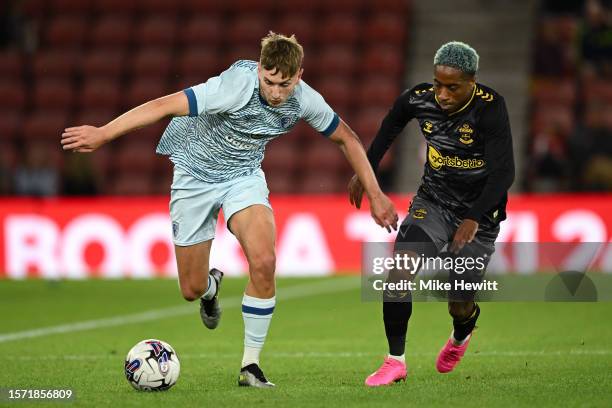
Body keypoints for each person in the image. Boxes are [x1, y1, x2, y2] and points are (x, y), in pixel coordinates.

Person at [61, 32, 398, 388]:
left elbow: (347, 137)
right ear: (258, 70)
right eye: (269, 82)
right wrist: (104, 134)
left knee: (265, 262)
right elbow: (162, 105)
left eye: (285, 84)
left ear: (299, 75)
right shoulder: (233, 86)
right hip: (194, 175)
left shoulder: (304, 99)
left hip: (243, 177)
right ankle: (210, 289)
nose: (276, 92)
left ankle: (250, 366)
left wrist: (375, 193)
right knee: (190, 288)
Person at [348, 41, 515, 386]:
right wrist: (367, 172)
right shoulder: (418, 98)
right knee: (399, 271)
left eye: (452, 87)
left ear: (472, 82)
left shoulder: (491, 108)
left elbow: (504, 174)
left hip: (479, 214)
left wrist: (473, 217)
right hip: (433, 202)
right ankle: (395, 362)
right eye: (438, 84)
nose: (441, 93)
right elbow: (389, 127)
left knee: (459, 302)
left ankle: (461, 333)